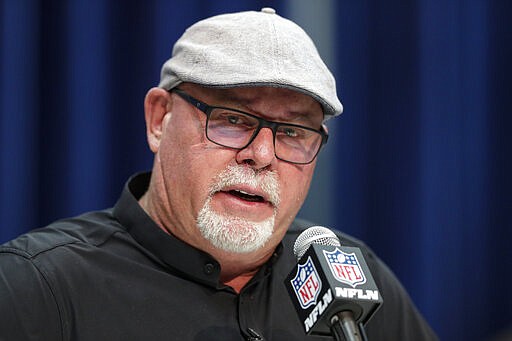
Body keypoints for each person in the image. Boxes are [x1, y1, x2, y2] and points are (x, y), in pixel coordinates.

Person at [0, 8, 437, 341]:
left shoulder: (355, 282)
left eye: (292, 131)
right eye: (233, 119)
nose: (263, 155)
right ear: (159, 119)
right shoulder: (34, 289)